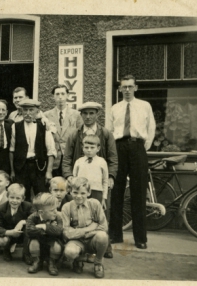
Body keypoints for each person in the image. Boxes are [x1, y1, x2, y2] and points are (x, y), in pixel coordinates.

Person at [62, 101, 117, 258]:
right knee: (81, 214)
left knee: (102, 214)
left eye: (91, 113)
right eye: (85, 113)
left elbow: (113, 157)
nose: (88, 116)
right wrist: (69, 176)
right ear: (81, 115)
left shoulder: (105, 134)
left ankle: (104, 246)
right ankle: (81, 245)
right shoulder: (75, 134)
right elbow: (67, 158)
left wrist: (111, 176)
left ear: (97, 114)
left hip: (99, 184)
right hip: (80, 186)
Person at [108, 74, 156, 250]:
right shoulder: (115, 108)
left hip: (137, 148)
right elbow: (110, 130)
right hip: (119, 148)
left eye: (130, 86)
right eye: (124, 87)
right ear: (120, 89)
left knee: (138, 193)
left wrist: (143, 148)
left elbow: (151, 128)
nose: (127, 90)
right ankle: (115, 235)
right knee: (117, 193)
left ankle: (140, 238)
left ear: (136, 88)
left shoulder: (145, 106)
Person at [9, 99, 56, 202]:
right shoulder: (16, 126)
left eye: (31, 110)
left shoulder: (44, 126)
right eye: (25, 110)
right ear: (21, 111)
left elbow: (51, 151)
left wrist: (48, 171)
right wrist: (12, 171)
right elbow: (12, 150)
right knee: (21, 197)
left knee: (42, 197)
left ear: (37, 111)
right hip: (21, 168)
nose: (28, 113)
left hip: (39, 168)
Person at [62, 177, 109, 278]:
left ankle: (98, 263)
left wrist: (81, 232)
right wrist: (89, 228)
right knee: (69, 252)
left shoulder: (95, 204)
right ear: (70, 192)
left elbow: (103, 227)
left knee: (102, 236)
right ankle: (79, 259)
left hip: (92, 239)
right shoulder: (66, 207)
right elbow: (66, 232)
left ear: (89, 192)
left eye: (83, 193)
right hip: (76, 241)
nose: (79, 196)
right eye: (75, 192)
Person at [44, 84, 83, 177]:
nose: (60, 97)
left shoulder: (76, 115)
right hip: (53, 158)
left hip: (70, 156)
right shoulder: (46, 115)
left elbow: (80, 136)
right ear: (53, 96)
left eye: (62, 94)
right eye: (57, 94)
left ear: (67, 95)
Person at [0, 183, 35, 262]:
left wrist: (23, 221)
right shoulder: (1, 209)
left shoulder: (28, 206)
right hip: (9, 235)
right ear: (7, 196)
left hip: (23, 235)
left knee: (29, 228)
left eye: (18, 198)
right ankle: (6, 250)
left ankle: (26, 253)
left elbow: (35, 219)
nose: (14, 201)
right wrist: (11, 232)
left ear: (23, 199)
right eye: (12, 197)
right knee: (3, 240)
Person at [26, 192, 64, 276]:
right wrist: (49, 229)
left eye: (56, 209)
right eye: (52, 210)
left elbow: (58, 231)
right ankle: (37, 262)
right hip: (39, 242)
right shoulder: (32, 217)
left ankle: (52, 263)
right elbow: (29, 230)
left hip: (52, 242)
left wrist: (44, 226)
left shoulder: (57, 217)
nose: (55, 212)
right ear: (41, 212)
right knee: (33, 243)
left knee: (57, 247)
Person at [73, 135, 108, 207]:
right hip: (82, 192)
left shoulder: (102, 162)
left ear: (98, 148)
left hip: (97, 192)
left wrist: (104, 198)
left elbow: (105, 180)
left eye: (92, 148)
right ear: (82, 148)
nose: (89, 150)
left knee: (95, 211)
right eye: (86, 147)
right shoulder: (79, 161)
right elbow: (74, 179)